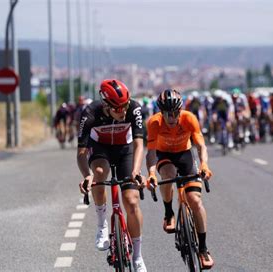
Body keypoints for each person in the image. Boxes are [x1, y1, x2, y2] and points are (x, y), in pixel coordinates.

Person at [77, 79, 147, 271]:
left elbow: (139, 144)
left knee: (131, 201)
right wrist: (87, 175)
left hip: (125, 149)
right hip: (101, 149)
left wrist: (136, 170)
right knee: (99, 173)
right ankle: (102, 226)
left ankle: (138, 256)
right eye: (118, 108)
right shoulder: (90, 113)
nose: (123, 112)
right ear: (106, 105)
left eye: (125, 106)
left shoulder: (134, 108)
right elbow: (81, 152)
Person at [145, 89, 214, 269]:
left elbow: (201, 146)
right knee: (167, 174)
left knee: (195, 201)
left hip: (185, 155)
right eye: (168, 113)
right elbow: (151, 153)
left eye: (175, 112)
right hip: (164, 155)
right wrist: (151, 173)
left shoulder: (189, 118)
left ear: (180, 110)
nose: (172, 117)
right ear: (161, 112)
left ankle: (203, 248)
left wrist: (205, 164)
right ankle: (169, 213)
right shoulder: (154, 123)